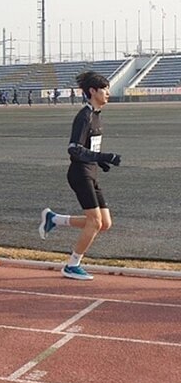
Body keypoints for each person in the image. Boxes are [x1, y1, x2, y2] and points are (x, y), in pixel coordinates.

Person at [39, 71, 120, 280]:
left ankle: (54, 219)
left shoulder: (96, 116)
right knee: (94, 222)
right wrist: (106, 156)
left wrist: (100, 161)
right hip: (79, 174)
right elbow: (74, 149)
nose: (108, 93)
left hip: (91, 173)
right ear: (92, 91)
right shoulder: (84, 116)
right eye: (104, 89)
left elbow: (88, 147)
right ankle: (72, 264)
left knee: (105, 223)